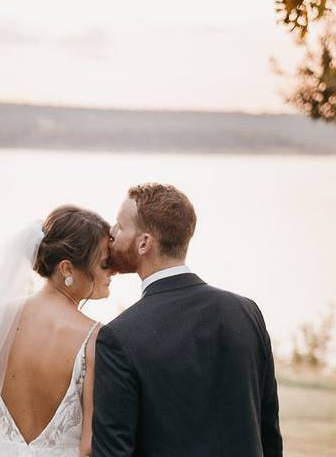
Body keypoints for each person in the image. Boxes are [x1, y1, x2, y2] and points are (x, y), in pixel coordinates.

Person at [92, 183, 283, 456]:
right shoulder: (246, 312)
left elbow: (113, 452)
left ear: (144, 243)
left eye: (120, 226)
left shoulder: (119, 336)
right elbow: (269, 433)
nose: (111, 233)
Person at [0, 205, 115, 457]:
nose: (113, 271)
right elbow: (89, 447)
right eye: (104, 264)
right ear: (67, 268)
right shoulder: (94, 337)